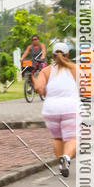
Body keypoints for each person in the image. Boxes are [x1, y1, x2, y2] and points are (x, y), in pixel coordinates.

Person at [34, 41, 77, 178]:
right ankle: (66, 157)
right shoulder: (75, 68)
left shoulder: (46, 71)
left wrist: (44, 90)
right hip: (70, 108)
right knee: (72, 138)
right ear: (67, 55)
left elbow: (38, 88)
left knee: (57, 138)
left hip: (51, 109)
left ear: (52, 56)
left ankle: (60, 164)